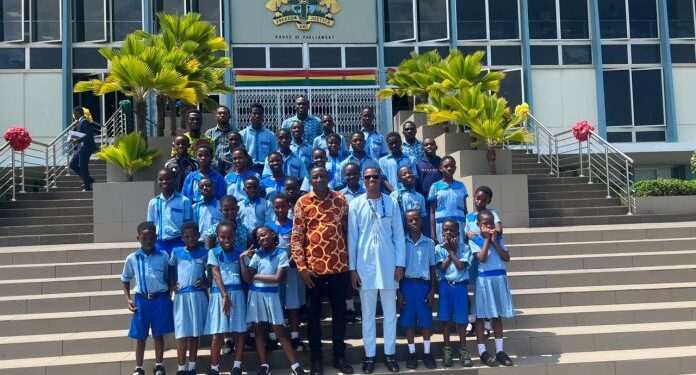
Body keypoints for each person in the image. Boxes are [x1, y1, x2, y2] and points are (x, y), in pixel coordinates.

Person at [291, 167, 354, 375]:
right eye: (314, 177)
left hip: (338, 267)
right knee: (314, 315)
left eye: (322, 176)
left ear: (328, 178)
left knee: (339, 314)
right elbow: (297, 237)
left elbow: (348, 233)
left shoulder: (341, 200)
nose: (318, 180)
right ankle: (316, 359)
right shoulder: (303, 202)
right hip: (313, 271)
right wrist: (302, 268)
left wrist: (351, 265)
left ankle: (339, 356)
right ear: (310, 180)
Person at [348, 167, 405, 374]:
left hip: (389, 266)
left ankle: (390, 354)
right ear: (363, 180)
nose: (372, 180)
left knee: (390, 314)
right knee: (368, 315)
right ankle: (369, 356)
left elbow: (398, 236)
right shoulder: (355, 205)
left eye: (375, 177)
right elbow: (352, 239)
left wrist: (400, 265)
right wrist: (352, 270)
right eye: (368, 177)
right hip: (365, 268)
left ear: (381, 179)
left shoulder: (392, 203)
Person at [240, 226, 307, 375]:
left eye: (264, 235)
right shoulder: (257, 255)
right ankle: (264, 365)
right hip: (255, 295)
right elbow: (246, 278)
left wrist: (256, 276)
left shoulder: (281, 253)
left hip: (271, 296)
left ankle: (295, 366)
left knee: (279, 331)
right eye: (258, 238)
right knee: (258, 330)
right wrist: (242, 259)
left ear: (272, 234)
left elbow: (278, 278)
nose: (262, 239)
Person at [121, 221, 173, 375]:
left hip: (159, 300)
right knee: (140, 336)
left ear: (156, 237)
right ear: (138, 238)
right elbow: (125, 279)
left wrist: (169, 293)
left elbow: (169, 276)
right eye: (144, 239)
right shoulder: (132, 258)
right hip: (141, 301)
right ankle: (139, 368)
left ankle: (159, 365)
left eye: (151, 238)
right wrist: (128, 299)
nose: (148, 241)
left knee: (158, 334)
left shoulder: (163, 256)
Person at [469, 210, 514, 367]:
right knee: (481, 316)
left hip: (499, 278)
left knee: (496, 315)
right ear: (478, 225)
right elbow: (482, 258)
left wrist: (494, 241)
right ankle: (482, 351)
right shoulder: (474, 239)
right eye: (484, 224)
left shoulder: (499, 238)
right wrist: (487, 240)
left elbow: (506, 257)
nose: (488, 226)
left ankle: (500, 351)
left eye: (490, 223)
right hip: (484, 280)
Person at [205, 220, 246, 375]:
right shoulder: (213, 252)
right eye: (223, 237)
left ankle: (237, 366)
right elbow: (216, 274)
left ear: (235, 236)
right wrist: (225, 296)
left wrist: (243, 259)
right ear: (217, 237)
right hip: (219, 295)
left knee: (239, 330)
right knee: (218, 333)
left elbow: (246, 277)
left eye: (229, 237)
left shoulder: (240, 253)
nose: (226, 240)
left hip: (237, 293)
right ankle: (214, 368)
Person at [397, 210, 437, 370]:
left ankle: (427, 353)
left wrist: (432, 290)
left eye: (416, 219)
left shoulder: (429, 243)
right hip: (406, 284)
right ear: (406, 223)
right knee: (409, 321)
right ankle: (412, 353)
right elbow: (397, 269)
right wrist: (398, 291)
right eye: (410, 220)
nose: (414, 222)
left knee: (426, 320)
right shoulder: (401, 243)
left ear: (421, 221)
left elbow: (433, 268)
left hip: (423, 285)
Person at [266, 194, 306, 352]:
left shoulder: (294, 224)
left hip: (292, 270)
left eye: (283, 206)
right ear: (273, 208)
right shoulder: (268, 226)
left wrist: (289, 261)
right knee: (274, 304)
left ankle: (295, 336)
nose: (280, 209)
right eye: (277, 207)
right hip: (274, 271)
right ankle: (273, 337)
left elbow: (299, 244)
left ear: (289, 207)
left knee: (293, 304)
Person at [169, 221, 210, 375]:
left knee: (194, 333)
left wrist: (206, 282)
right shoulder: (176, 252)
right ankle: (181, 368)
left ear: (198, 236)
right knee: (181, 333)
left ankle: (192, 366)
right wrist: (173, 285)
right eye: (187, 236)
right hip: (181, 297)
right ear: (182, 238)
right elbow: (171, 268)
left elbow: (211, 272)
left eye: (193, 236)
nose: (191, 239)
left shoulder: (205, 252)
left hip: (198, 296)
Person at [435, 220, 474, 368]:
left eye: (452, 230)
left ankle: (464, 350)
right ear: (442, 231)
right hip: (445, 286)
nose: (448, 233)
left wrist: (452, 251)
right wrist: (448, 250)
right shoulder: (438, 248)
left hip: (460, 287)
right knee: (445, 321)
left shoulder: (464, 248)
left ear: (458, 233)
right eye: (445, 230)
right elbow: (442, 268)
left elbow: (460, 266)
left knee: (462, 321)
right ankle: (447, 350)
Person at [465, 186, 502, 337]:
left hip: (488, 256)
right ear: (473, 197)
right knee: (476, 288)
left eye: (484, 199)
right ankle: (473, 320)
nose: (480, 201)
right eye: (477, 198)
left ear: (489, 201)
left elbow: (498, 230)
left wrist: (482, 233)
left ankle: (486, 321)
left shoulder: (491, 214)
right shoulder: (469, 216)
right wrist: (468, 234)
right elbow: (466, 233)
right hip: (475, 256)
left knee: (485, 290)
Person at [147, 169, 193, 254]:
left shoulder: (184, 201)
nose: (164, 181)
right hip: (159, 243)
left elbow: (188, 225)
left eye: (167, 179)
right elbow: (150, 225)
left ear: (174, 180)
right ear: (157, 182)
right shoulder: (153, 202)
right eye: (160, 179)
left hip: (178, 242)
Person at [428, 155, 468, 244]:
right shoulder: (435, 187)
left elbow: (465, 210)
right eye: (446, 166)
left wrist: (467, 228)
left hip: (459, 224)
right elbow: (432, 212)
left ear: (455, 168)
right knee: (443, 250)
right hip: (441, 225)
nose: (449, 168)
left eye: (452, 166)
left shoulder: (461, 186)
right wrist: (433, 233)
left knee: (459, 250)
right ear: (440, 168)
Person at [239, 103, 277, 174]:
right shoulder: (242, 134)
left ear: (263, 115)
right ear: (250, 115)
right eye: (254, 113)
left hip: (266, 170)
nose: (257, 115)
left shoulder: (270, 135)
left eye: (260, 113)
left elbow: (274, 153)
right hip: (248, 168)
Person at [415, 138, 442, 238]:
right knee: (428, 233)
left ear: (436, 147)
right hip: (425, 204)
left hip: (440, 203)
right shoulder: (418, 164)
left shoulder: (441, 162)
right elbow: (416, 184)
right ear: (423, 148)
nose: (429, 146)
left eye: (431, 144)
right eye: (426, 145)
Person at [69, 106, 97, 191]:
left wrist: (77, 141)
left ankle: (87, 186)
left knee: (83, 167)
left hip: (85, 148)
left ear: (78, 113)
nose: (74, 115)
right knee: (72, 164)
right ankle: (88, 180)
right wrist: (74, 137)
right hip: (81, 148)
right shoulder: (81, 122)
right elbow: (82, 134)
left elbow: (88, 135)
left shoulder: (84, 122)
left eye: (74, 114)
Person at [192, 178, 222, 248]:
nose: (204, 188)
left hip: (217, 245)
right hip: (200, 245)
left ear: (214, 187)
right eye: (201, 187)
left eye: (207, 185)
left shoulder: (221, 205)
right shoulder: (195, 207)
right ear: (199, 190)